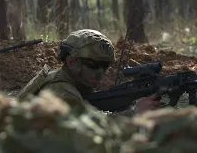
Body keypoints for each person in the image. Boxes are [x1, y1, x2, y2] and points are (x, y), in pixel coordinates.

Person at [18, 29, 161, 117]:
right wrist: (133, 114)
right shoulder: (63, 91)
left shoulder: (62, 79)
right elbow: (90, 134)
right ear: (72, 62)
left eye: (104, 66)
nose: (100, 72)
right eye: (92, 64)